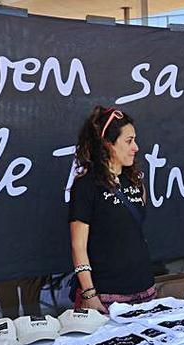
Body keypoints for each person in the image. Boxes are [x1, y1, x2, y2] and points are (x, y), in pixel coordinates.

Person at [68, 106, 155, 313]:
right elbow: (77, 246)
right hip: (108, 295)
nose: (136, 147)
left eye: (134, 140)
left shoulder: (134, 180)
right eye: (129, 141)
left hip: (145, 289)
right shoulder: (86, 186)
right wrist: (89, 293)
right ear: (107, 144)